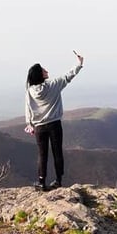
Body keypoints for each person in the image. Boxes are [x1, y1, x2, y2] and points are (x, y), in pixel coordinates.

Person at [24, 52, 84, 191]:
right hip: (54, 124)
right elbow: (68, 76)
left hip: (39, 127)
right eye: (44, 70)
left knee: (42, 154)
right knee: (57, 152)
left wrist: (29, 124)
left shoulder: (29, 91)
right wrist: (79, 64)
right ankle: (58, 180)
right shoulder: (53, 85)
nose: (47, 71)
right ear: (40, 74)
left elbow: (27, 108)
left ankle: (41, 182)